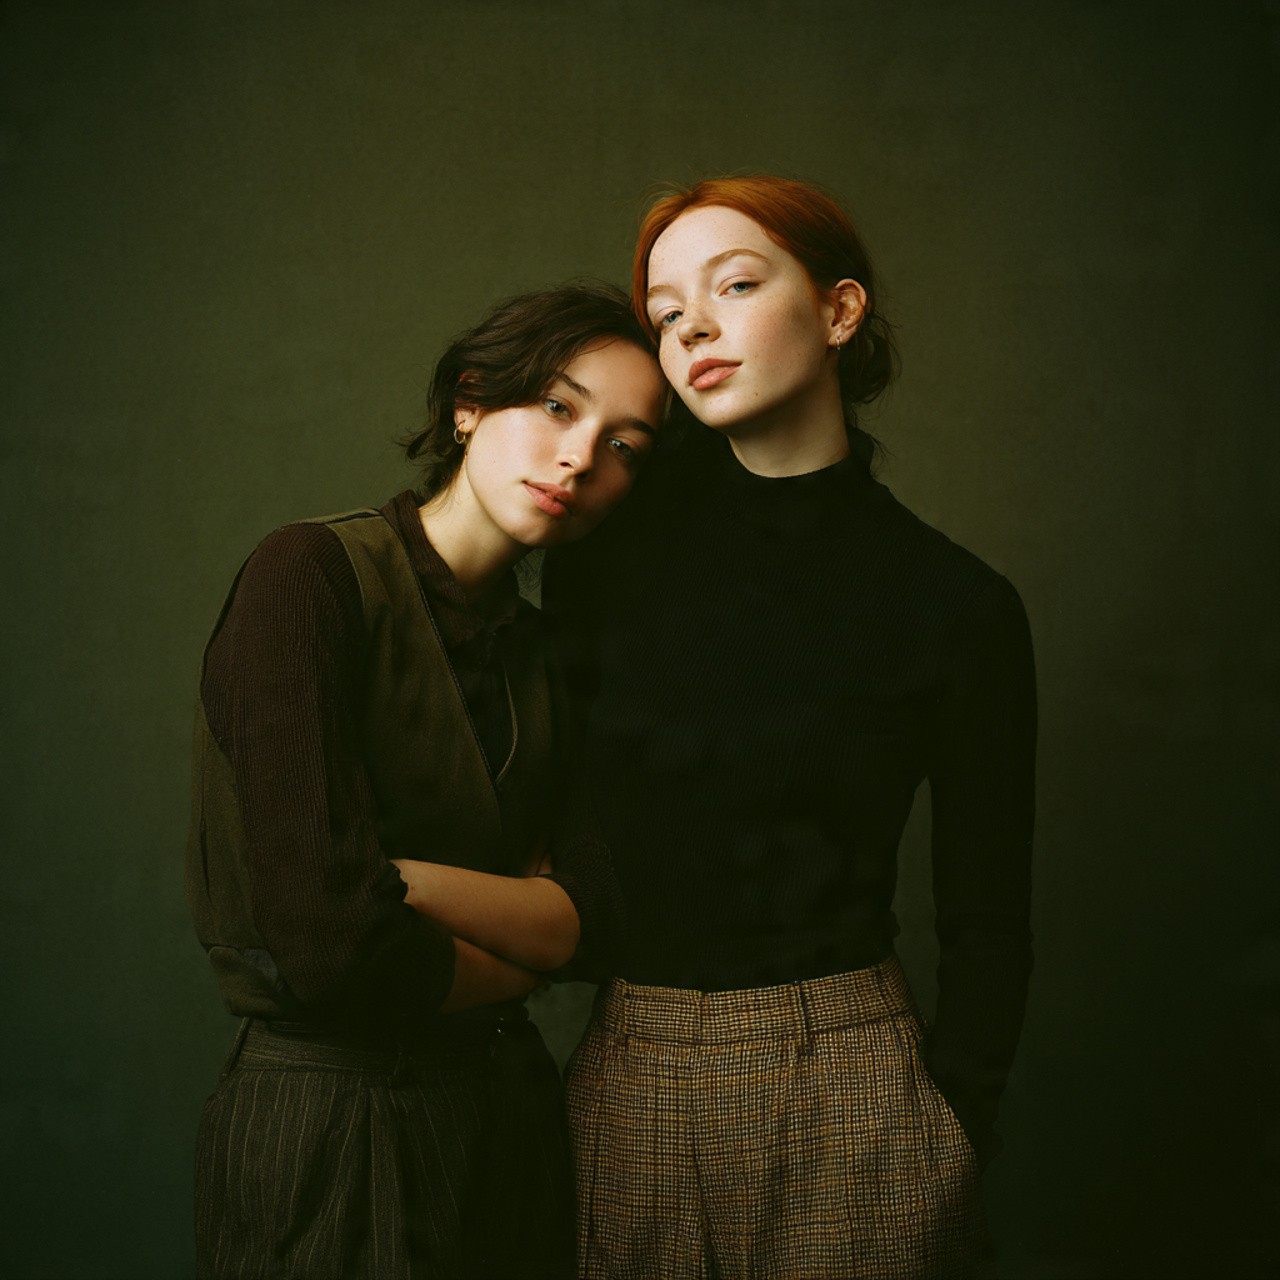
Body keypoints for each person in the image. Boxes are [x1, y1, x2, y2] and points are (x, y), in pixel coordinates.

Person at [541, 177, 1038, 1279]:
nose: (693, 329)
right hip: (634, 1068)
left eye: (733, 284)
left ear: (839, 310)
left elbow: (988, 913)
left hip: (856, 1083)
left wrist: (951, 1125)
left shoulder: (956, 603)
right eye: (665, 314)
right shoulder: (598, 544)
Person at [185, 282, 665, 1280]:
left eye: (624, 444)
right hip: (331, 1122)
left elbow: (603, 916)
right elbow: (331, 943)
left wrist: (397, 880)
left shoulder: (550, 656)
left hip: (508, 1123)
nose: (581, 456)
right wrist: (520, 954)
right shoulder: (309, 577)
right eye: (559, 407)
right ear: (469, 401)